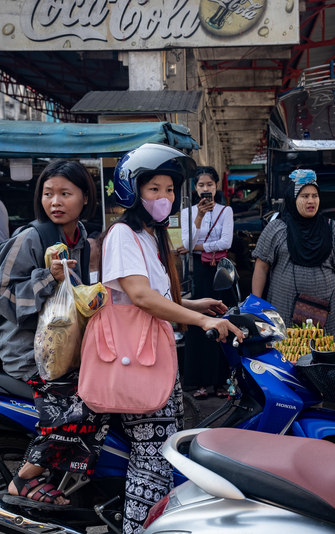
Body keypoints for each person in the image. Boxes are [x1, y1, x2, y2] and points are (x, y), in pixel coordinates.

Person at [100, 144, 244, 534]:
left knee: (163, 456)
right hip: (136, 362)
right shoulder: (123, 235)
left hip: (155, 357)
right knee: (150, 461)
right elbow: (140, 296)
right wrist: (199, 320)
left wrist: (198, 303)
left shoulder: (150, 237)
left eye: (168, 190)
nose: (163, 198)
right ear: (132, 191)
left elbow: (157, 296)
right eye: (153, 190)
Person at [0, 160, 100, 506]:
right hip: (27, 354)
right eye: (48, 193)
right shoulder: (30, 238)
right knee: (86, 403)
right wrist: (48, 277)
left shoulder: (81, 240)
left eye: (65, 193)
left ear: (85, 198)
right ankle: (24, 479)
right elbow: (2, 296)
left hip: (62, 350)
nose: (55, 201)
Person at [251, 169, 335, 344]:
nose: (311, 201)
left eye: (315, 196)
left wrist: (327, 281)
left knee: (323, 357)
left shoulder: (331, 228)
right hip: (284, 306)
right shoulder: (277, 228)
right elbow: (261, 267)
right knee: (286, 354)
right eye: (304, 196)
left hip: (324, 309)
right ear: (293, 198)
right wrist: (257, 305)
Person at [178, 167, 235, 400]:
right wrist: (199, 217)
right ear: (195, 188)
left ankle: (222, 380)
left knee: (223, 319)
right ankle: (199, 382)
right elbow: (186, 243)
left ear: (216, 187)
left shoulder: (226, 211)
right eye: (201, 185)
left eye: (209, 185)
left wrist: (200, 247)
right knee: (197, 323)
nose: (205, 189)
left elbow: (227, 242)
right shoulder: (187, 213)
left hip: (220, 272)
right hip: (199, 273)